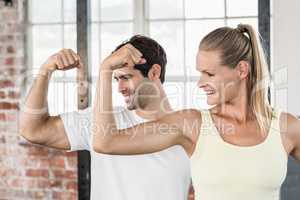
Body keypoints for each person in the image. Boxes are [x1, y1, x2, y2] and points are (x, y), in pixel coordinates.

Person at [92, 24, 300, 200]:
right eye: (200, 73)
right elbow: (105, 142)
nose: (201, 83)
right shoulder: (192, 124)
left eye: (209, 74)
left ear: (242, 70)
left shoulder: (286, 127)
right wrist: (105, 70)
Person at [19, 35, 194, 200]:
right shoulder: (102, 121)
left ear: (154, 72)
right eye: (116, 79)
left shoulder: (191, 130)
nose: (120, 88)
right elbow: (33, 130)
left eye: (126, 77)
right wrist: (45, 70)